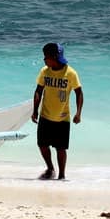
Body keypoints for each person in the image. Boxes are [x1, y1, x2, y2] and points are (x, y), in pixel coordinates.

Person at [31, 42, 83, 180]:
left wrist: (78, 113)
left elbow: (79, 93)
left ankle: (61, 175)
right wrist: (35, 110)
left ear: (54, 57)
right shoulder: (44, 72)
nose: (44, 59)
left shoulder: (70, 73)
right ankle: (50, 168)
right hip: (45, 115)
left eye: (46, 57)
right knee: (42, 145)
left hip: (62, 118)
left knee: (60, 148)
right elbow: (38, 91)